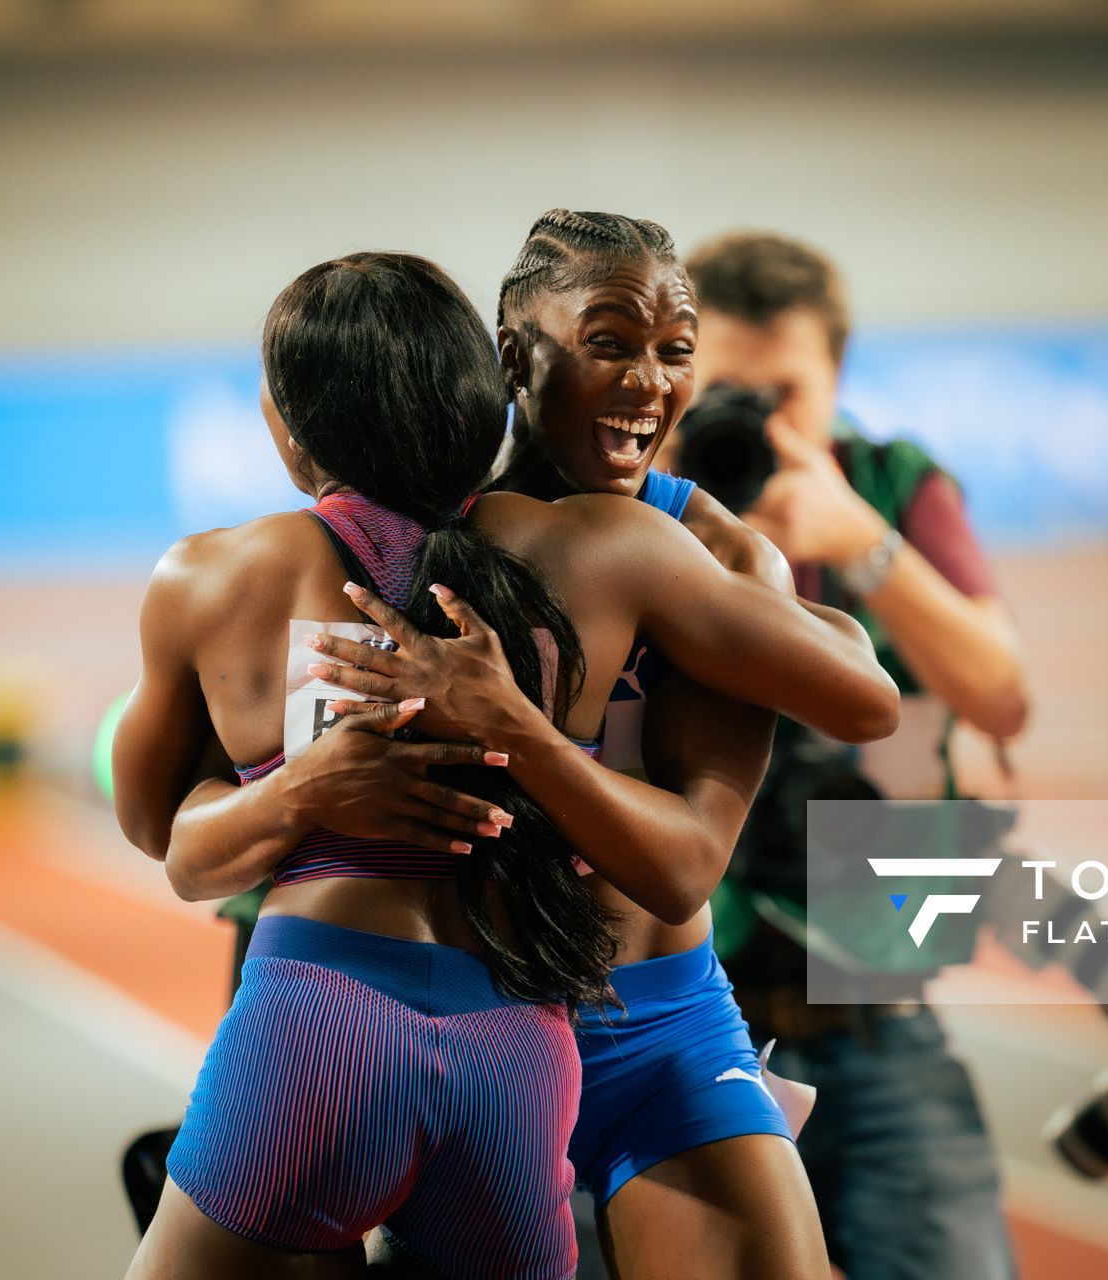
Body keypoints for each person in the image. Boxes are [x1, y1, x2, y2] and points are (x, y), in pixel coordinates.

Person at [115, 250, 898, 1280]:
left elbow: (163, 836)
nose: (645, 384)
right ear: (504, 370)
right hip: (520, 1039)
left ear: (283, 420)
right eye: (609, 347)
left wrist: (303, 781)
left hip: (362, 1018)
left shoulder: (215, 575)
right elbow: (873, 696)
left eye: (672, 354)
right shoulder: (606, 548)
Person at [683, 231, 1029, 1280]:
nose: (762, 425)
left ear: (838, 378)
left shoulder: (893, 485)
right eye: (725, 395)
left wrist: (864, 541)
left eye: (787, 394)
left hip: (875, 1018)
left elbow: (1002, 695)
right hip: (681, 1034)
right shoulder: (634, 505)